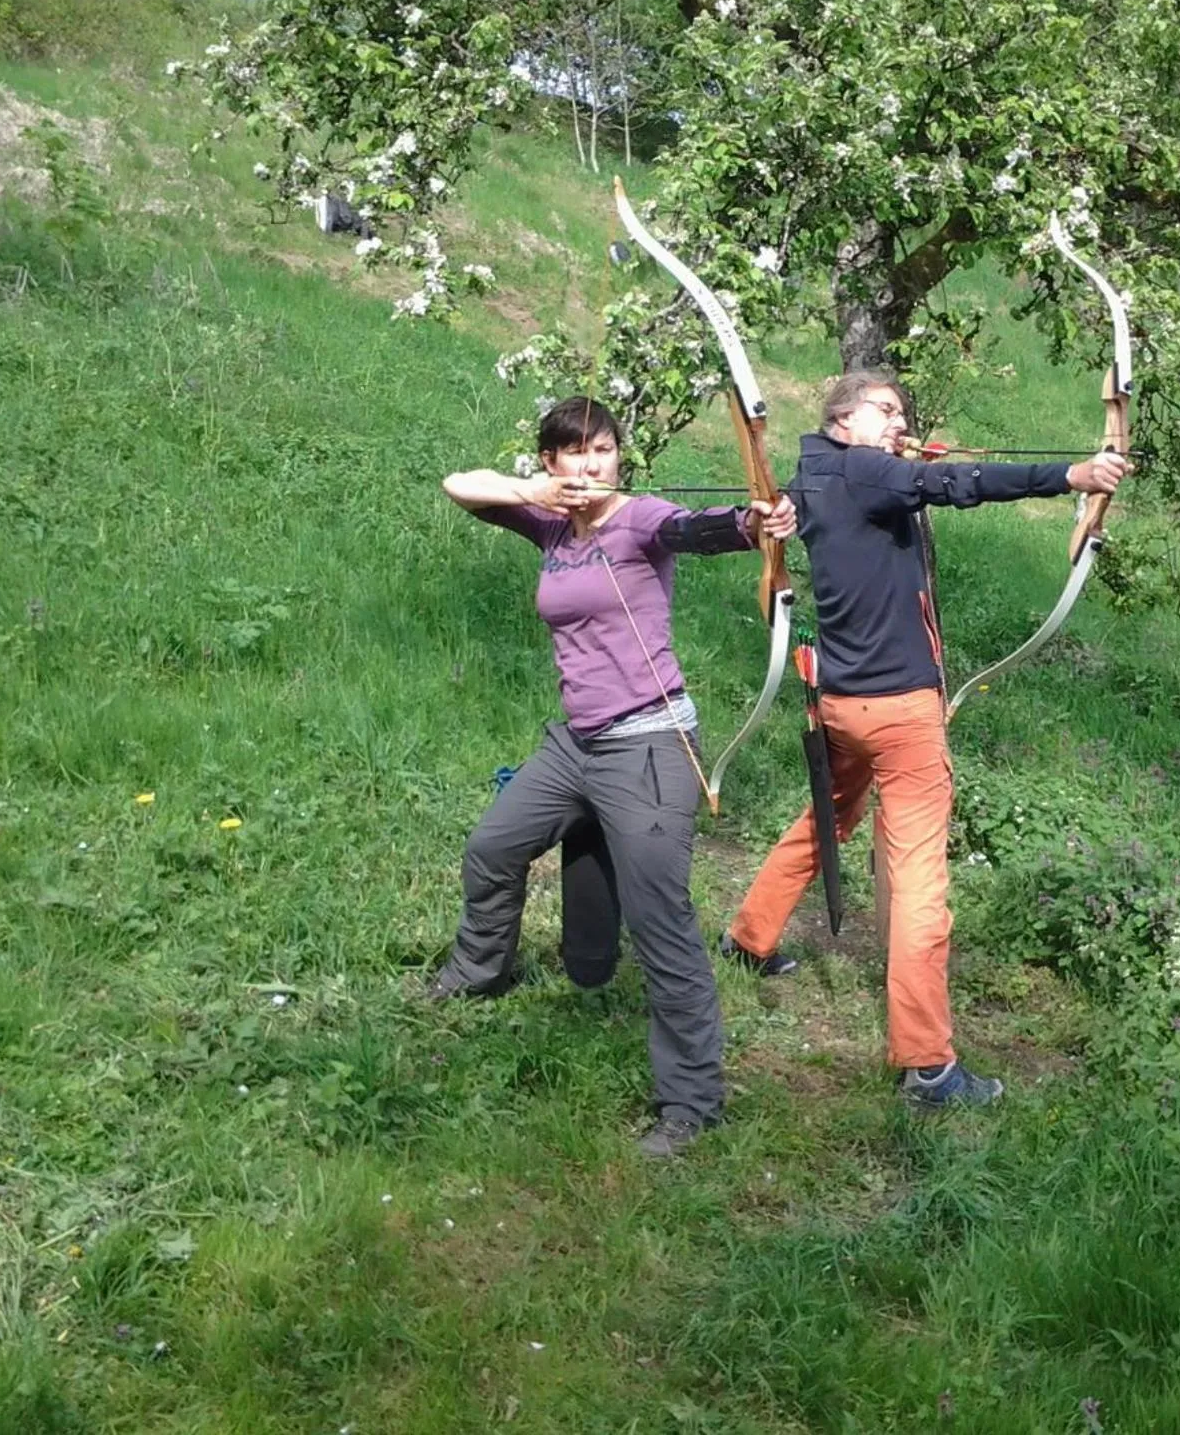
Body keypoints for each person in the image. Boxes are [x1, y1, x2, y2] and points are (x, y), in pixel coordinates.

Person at [721, 369, 1128, 1107]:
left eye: (901, 412)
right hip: (901, 713)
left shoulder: (815, 474)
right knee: (919, 886)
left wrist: (905, 462)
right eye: (884, 411)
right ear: (842, 419)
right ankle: (928, 1064)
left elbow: (885, 485)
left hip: (840, 704)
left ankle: (748, 937)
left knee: (828, 818)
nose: (897, 421)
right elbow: (964, 484)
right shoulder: (872, 471)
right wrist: (1073, 475)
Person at [433, 395, 797, 1158]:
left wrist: (755, 523)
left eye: (604, 450)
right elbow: (458, 484)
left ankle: (691, 1104)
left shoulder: (640, 518)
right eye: (576, 453)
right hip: (575, 746)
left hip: (649, 744)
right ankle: (476, 978)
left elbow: (693, 530)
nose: (593, 464)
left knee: (660, 922)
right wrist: (530, 495)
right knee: (493, 849)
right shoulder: (549, 522)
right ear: (552, 463)